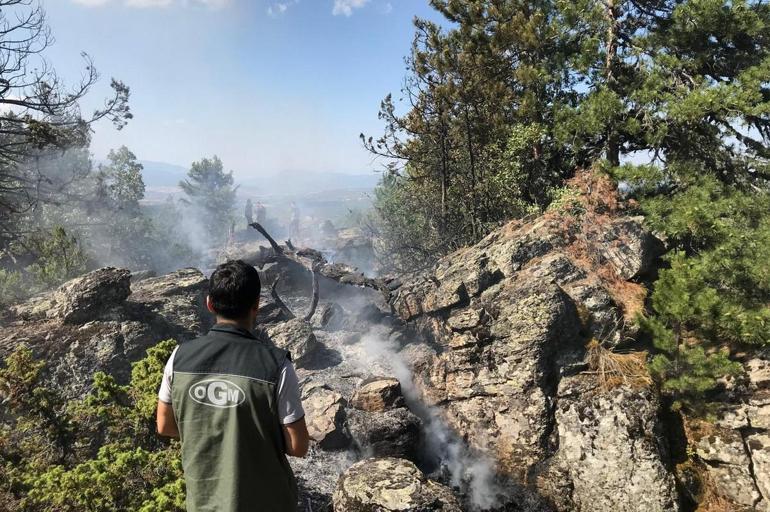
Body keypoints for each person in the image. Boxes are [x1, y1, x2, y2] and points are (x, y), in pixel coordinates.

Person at [156, 260, 309, 512]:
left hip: (204, 501)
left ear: (209, 304)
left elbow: (165, 425)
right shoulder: (276, 365)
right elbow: (298, 446)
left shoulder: (179, 357)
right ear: (256, 305)